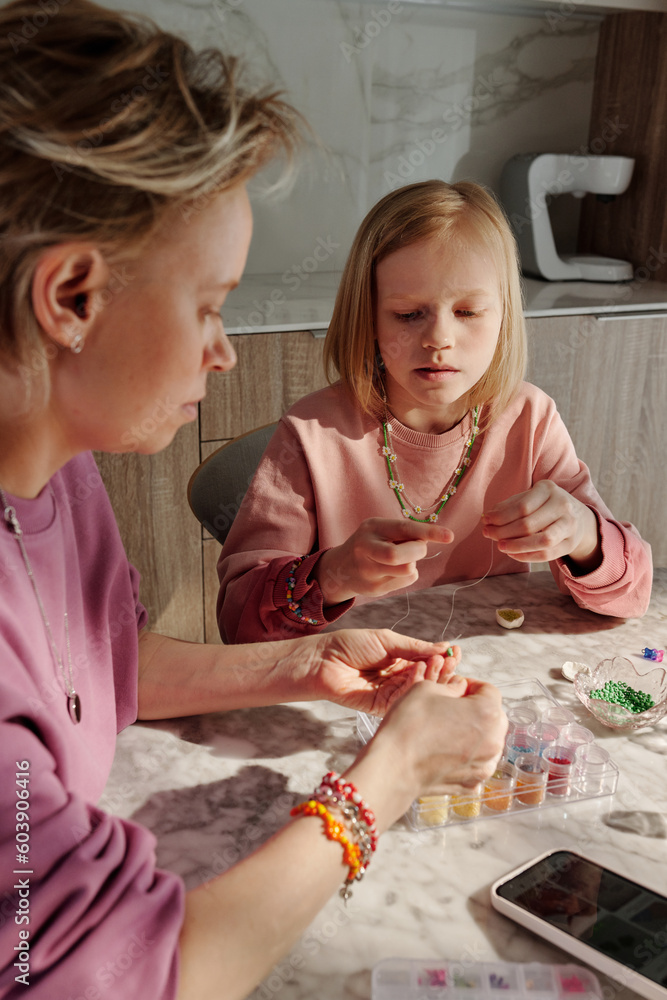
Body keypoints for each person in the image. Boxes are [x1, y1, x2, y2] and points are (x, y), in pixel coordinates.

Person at [0, 3, 509, 998]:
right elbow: (137, 976)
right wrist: (386, 780)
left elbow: (88, 670)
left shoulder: (53, 467)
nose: (224, 349)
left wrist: (304, 663)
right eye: (208, 305)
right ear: (69, 297)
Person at [217, 180, 652, 644]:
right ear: (368, 317)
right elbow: (239, 622)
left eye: (467, 312)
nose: (439, 339)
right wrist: (334, 574)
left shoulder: (530, 419)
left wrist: (584, 537)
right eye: (408, 314)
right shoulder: (311, 435)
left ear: (504, 316)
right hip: (351, 684)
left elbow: (633, 594)